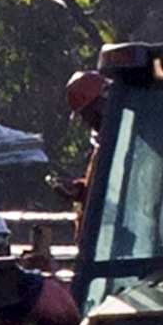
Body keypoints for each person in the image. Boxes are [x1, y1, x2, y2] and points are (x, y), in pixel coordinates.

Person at [62, 69, 107, 243]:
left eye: (86, 113)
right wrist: (80, 190)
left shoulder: (127, 140)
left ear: (100, 105)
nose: (85, 120)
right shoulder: (102, 145)